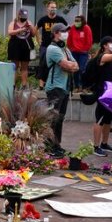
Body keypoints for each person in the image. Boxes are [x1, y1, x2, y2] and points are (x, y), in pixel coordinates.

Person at [44, 23, 78, 158]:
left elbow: (76, 66)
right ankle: (50, 146)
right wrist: (69, 65)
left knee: (60, 118)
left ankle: (57, 145)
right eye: (64, 31)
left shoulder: (65, 49)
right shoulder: (53, 48)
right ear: (56, 33)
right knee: (53, 119)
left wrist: (70, 66)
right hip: (55, 88)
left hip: (64, 87)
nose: (66, 33)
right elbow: (66, 65)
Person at [88, 36, 112, 156]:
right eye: (111, 43)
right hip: (103, 92)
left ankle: (104, 143)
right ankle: (96, 146)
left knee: (108, 119)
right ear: (104, 46)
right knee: (100, 119)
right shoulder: (103, 57)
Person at [35, 0, 67, 88]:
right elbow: (35, 29)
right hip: (45, 45)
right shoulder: (43, 19)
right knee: (43, 64)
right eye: (52, 7)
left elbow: (67, 29)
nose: (54, 9)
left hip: (57, 46)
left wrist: (63, 39)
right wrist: (38, 40)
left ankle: (53, 84)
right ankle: (41, 85)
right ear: (47, 9)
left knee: (57, 64)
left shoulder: (60, 19)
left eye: (55, 7)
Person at [7, 8, 36, 89]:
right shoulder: (13, 22)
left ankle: (24, 85)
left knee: (24, 67)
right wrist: (20, 29)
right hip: (15, 46)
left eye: (25, 16)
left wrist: (31, 28)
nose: (24, 17)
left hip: (26, 46)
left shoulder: (29, 22)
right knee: (15, 66)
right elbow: (9, 32)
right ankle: (12, 85)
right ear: (19, 15)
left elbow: (33, 34)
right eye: (22, 16)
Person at [66, 14, 93, 91]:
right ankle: (77, 86)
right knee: (75, 69)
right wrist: (71, 48)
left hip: (83, 53)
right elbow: (69, 40)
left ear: (82, 21)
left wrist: (85, 50)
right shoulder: (72, 28)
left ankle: (83, 86)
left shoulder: (86, 28)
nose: (76, 22)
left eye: (78, 21)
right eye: (75, 21)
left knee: (82, 69)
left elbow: (89, 41)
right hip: (74, 52)